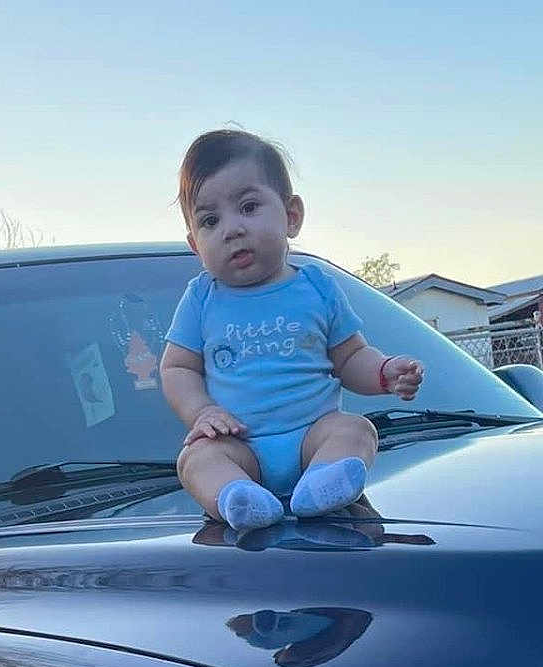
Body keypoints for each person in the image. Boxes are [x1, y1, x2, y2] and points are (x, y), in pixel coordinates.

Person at [160, 129, 424, 532]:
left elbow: (350, 357)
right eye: (210, 220)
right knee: (196, 459)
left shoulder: (317, 287)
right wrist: (203, 412)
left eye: (248, 207)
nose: (231, 229)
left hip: (312, 439)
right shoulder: (201, 299)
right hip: (238, 446)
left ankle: (322, 485)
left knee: (356, 429)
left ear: (292, 216)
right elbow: (177, 368)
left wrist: (383, 372)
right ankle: (238, 498)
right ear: (195, 245)